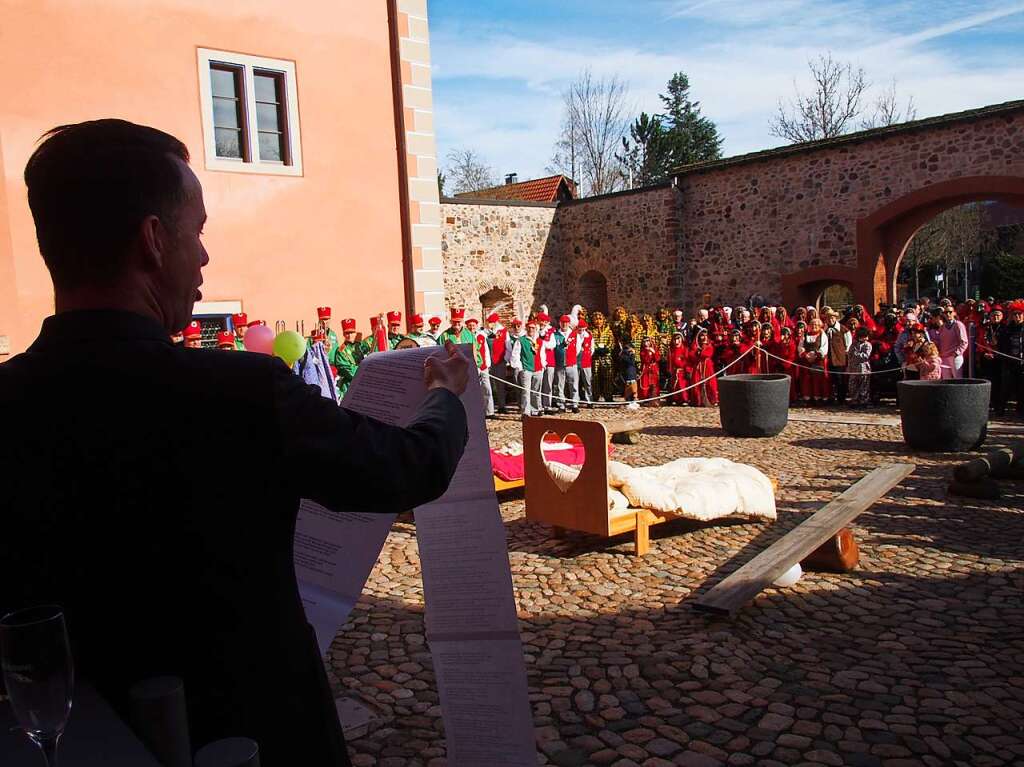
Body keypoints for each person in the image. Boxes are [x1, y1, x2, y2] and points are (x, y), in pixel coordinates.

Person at [0, 119, 471, 767]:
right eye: (197, 232)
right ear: (154, 240)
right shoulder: (239, 392)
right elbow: (410, 466)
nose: (205, 258)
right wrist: (443, 393)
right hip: (257, 732)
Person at [509, 317, 544, 417]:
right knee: (526, 392)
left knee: (536, 391)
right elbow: (515, 355)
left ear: (536, 329)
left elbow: (542, 354)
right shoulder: (521, 340)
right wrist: (520, 368)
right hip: (526, 369)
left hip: (538, 369)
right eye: (529, 328)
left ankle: (535, 410)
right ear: (526, 328)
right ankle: (526, 412)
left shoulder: (539, 341)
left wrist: (543, 366)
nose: (531, 330)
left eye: (533, 328)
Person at [995, 301, 1024, 416]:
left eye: (1020, 314)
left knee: (1022, 387)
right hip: (1009, 362)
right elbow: (1001, 345)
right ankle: (1001, 409)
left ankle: (1021, 410)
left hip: (1022, 363)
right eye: (1015, 314)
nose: (1017, 316)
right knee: (1005, 386)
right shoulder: (1007, 329)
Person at [928, 304, 968, 379]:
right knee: (946, 379)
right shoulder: (943, 327)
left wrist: (956, 353)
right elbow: (940, 341)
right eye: (946, 312)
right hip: (944, 357)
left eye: (950, 312)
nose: (948, 314)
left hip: (955, 357)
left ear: (954, 313)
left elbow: (964, 342)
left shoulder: (958, 324)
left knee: (958, 379)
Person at [466, 317, 494, 418]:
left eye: (473, 325)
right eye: (470, 325)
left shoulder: (481, 337)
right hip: (472, 368)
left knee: (487, 388)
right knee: (474, 390)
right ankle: (476, 411)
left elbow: (486, 350)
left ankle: (489, 411)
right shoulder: (466, 337)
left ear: (476, 326)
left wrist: (487, 364)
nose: (472, 327)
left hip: (483, 367)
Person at [799, 318, 829, 404]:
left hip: (818, 360)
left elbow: (824, 347)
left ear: (820, 326)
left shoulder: (822, 334)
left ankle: (818, 398)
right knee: (807, 379)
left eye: (816, 325)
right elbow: (800, 346)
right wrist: (805, 354)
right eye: (812, 324)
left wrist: (816, 355)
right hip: (807, 360)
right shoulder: (805, 335)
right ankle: (808, 398)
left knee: (818, 379)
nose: (814, 326)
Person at [485, 312, 511, 413]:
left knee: (500, 385)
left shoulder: (503, 331)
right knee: (488, 385)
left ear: (496, 322)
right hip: (488, 362)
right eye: (489, 322)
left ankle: (502, 405)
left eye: (491, 322)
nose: (490, 324)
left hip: (500, 361)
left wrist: (506, 359)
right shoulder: (485, 332)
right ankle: (490, 407)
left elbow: (508, 347)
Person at [332, 318, 362, 399]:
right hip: (348, 387)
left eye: (351, 332)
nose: (349, 335)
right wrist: (364, 370)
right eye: (347, 333)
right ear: (344, 334)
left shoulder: (359, 347)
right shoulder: (341, 351)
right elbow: (349, 371)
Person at [590, 311, 616, 403]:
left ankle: (608, 395)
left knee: (608, 376)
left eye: (600, 319)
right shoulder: (590, 331)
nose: (598, 321)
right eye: (596, 319)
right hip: (595, 357)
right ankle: (595, 395)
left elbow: (612, 342)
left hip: (606, 357)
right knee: (595, 376)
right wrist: (596, 349)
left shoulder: (608, 331)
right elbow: (589, 342)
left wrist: (607, 349)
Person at [846, 327, 873, 407]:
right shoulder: (853, 345)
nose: (865, 338)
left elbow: (866, 356)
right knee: (853, 385)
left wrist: (857, 354)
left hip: (864, 369)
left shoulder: (868, 345)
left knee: (864, 385)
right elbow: (850, 356)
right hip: (854, 368)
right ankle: (854, 399)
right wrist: (849, 366)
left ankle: (863, 400)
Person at [638, 336, 661, 405]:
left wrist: (653, 352)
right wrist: (648, 353)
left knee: (654, 384)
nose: (646, 343)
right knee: (645, 383)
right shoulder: (642, 351)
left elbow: (658, 359)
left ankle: (654, 399)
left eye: (647, 341)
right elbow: (646, 360)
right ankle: (645, 399)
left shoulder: (654, 349)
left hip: (654, 368)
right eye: (645, 342)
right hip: (646, 368)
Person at [576, 317, 594, 408]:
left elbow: (592, 349)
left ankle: (589, 400)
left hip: (586, 362)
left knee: (587, 382)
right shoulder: (575, 336)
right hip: (576, 361)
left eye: (583, 329)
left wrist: (587, 355)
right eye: (580, 329)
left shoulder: (589, 337)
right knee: (575, 382)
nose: (581, 331)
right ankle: (575, 400)